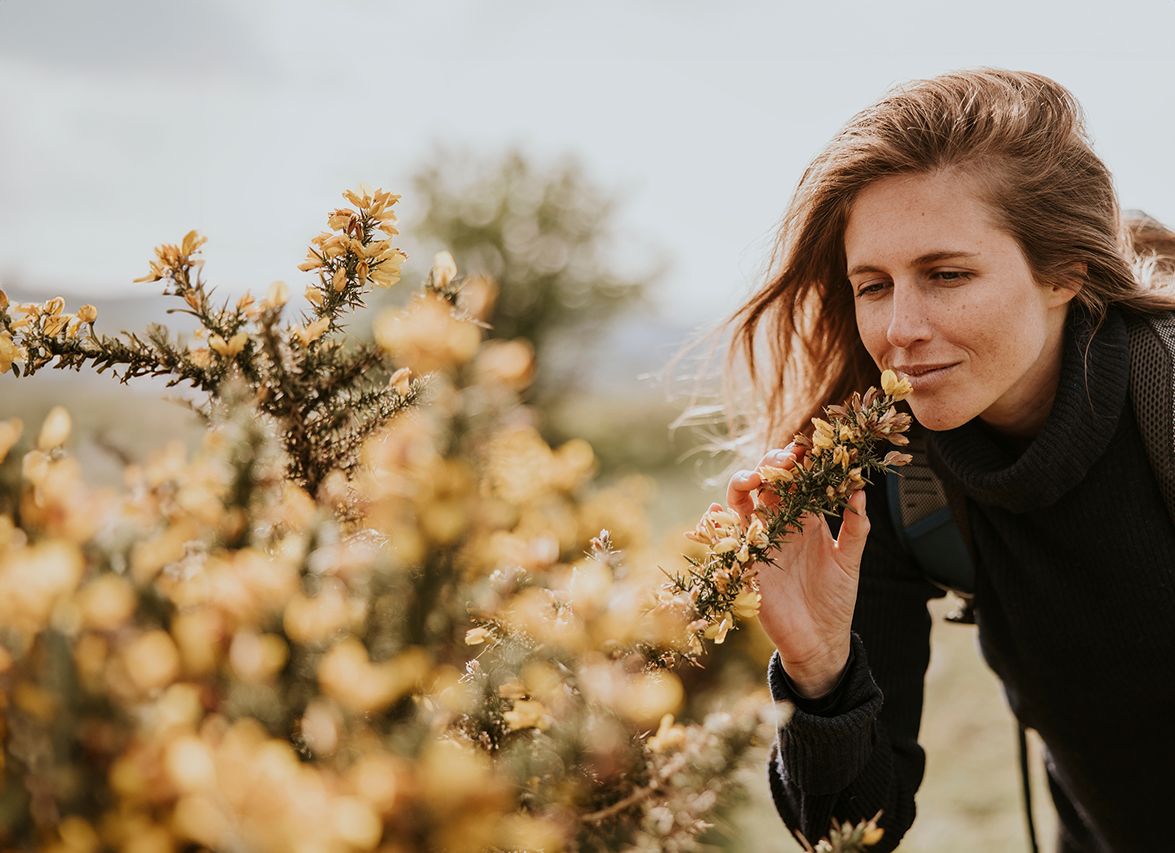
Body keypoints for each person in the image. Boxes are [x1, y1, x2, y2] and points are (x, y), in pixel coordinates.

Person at [718, 68, 1175, 852]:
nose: (899, 328)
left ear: (1063, 270)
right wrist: (821, 671)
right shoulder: (892, 482)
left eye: (946, 275)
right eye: (872, 285)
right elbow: (853, 830)